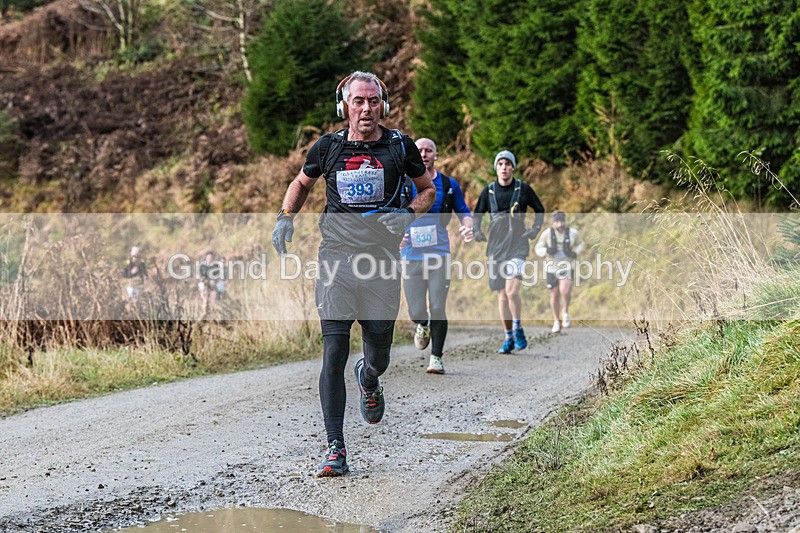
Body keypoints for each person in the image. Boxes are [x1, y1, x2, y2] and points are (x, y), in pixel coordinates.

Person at [271, 71, 434, 477]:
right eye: (358, 101)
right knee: (334, 351)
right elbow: (301, 182)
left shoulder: (400, 146)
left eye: (373, 101)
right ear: (344, 105)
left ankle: (369, 376)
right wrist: (286, 216)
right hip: (336, 260)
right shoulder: (328, 147)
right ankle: (335, 448)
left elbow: (428, 190)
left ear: (384, 105)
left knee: (378, 355)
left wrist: (407, 213)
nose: (366, 108)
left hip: (381, 263)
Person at [400, 138, 473, 374]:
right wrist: (395, 235)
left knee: (438, 306)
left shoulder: (449, 184)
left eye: (428, 150)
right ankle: (422, 324)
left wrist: (468, 226)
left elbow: (463, 211)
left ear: (436, 155)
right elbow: (392, 213)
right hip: (411, 255)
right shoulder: (405, 184)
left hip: (439, 255)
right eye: (419, 150)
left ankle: (437, 357)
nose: (423, 154)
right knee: (416, 310)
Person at [473, 150, 545, 354]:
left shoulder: (523, 189)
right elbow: (477, 214)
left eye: (507, 164)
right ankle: (508, 337)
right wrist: (476, 231)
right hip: (496, 248)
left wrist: (534, 230)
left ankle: (518, 326)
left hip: (518, 245)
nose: (504, 167)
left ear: (513, 167)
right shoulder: (489, 191)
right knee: (502, 295)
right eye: (500, 164)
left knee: (512, 291)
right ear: (496, 168)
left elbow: (539, 209)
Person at [534, 211, 585, 333]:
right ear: (553, 222)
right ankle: (557, 321)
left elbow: (581, 243)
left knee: (565, 290)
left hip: (567, 265)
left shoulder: (573, 233)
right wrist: (547, 250)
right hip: (551, 267)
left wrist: (575, 253)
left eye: (561, 221)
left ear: (565, 221)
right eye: (557, 221)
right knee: (554, 293)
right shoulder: (547, 234)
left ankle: (565, 312)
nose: (559, 224)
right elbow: (538, 248)